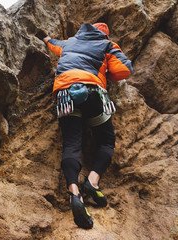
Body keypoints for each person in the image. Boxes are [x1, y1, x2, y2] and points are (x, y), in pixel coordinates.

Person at [42, 23, 133, 229]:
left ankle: (75, 194)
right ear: (105, 34)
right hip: (93, 92)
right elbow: (126, 69)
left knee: (71, 144)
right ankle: (92, 182)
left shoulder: (71, 42)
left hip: (65, 93)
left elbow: (53, 44)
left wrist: (45, 38)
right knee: (106, 140)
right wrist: (105, 74)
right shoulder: (107, 44)